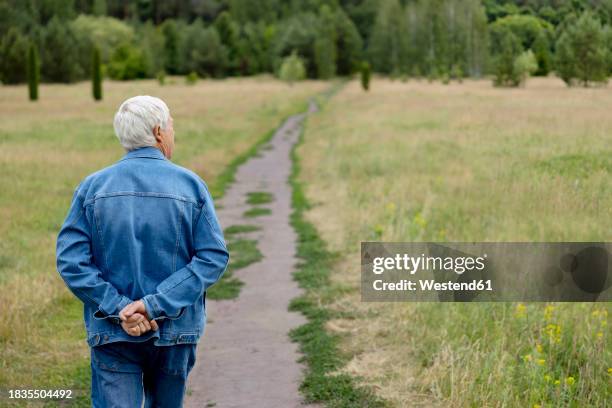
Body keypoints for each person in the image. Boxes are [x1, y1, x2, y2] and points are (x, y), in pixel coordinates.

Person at [56, 95, 229, 407]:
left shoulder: (91, 188)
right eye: (172, 126)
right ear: (159, 132)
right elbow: (212, 257)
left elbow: (71, 261)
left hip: (112, 332)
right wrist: (152, 306)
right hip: (175, 331)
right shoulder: (191, 185)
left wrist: (120, 307)